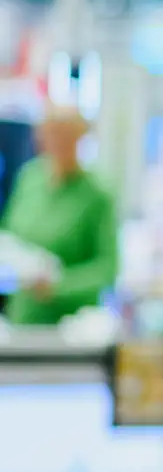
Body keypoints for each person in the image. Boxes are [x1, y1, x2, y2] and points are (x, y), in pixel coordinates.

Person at [0, 106, 117, 325]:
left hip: (73, 324)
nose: (57, 143)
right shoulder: (30, 178)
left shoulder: (97, 194)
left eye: (65, 136)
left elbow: (107, 268)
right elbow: (8, 234)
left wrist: (59, 286)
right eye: (51, 134)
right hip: (23, 316)